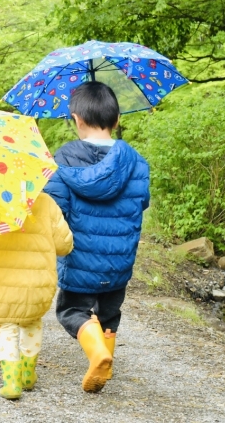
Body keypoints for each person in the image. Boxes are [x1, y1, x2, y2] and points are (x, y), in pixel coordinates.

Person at [43, 81, 150, 393]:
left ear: (76, 120)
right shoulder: (137, 162)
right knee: (110, 314)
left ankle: (98, 354)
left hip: (80, 261)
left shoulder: (63, 159)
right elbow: (141, 202)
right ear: (117, 121)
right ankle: (107, 362)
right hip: (119, 262)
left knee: (72, 311)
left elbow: (56, 210)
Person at [0, 192, 73, 399]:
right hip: (35, 281)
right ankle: (27, 374)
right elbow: (64, 245)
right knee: (31, 321)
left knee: (4, 326)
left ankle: (11, 381)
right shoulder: (45, 202)